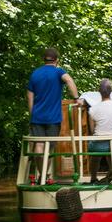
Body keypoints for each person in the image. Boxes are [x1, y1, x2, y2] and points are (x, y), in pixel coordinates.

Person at [27, 47, 81, 184]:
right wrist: (76, 98)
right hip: (53, 118)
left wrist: (32, 114)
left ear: (43, 59)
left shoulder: (35, 74)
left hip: (37, 117)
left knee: (39, 145)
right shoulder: (58, 72)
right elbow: (69, 80)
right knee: (49, 147)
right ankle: (46, 175)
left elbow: (30, 97)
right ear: (57, 60)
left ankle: (43, 175)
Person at [88, 78, 112, 184]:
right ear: (111, 91)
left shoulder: (93, 109)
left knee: (95, 153)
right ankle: (111, 173)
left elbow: (91, 130)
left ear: (99, 92)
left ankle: (93, 177)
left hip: (100, 143)